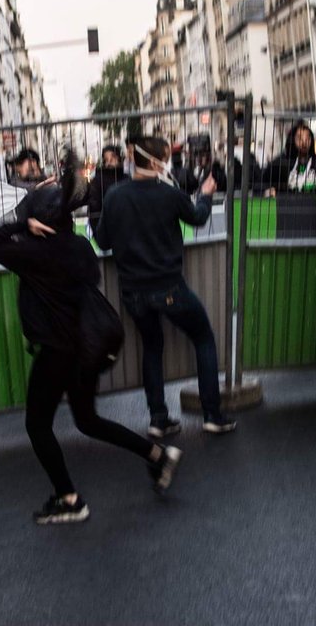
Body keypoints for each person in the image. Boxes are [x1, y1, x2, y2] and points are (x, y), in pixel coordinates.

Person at [0, 152, 181, 525]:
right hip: (84, 349)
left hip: (57, 351)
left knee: (37, 426)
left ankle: (69, 498)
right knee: (87, 419)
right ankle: (157, 455)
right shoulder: (78, 247)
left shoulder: (35, 253)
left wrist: (24, 228)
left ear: (41, 218)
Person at [95, 135, 237, 436]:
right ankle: (212, 414)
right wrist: (206, 192)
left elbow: (103, 241)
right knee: (203, 337)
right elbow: (198, 217)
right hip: (169, 287)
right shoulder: (168, 194)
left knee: (152, 346)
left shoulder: (115, 196)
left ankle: (159, 418)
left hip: (132, 293)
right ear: (159, 162)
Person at [262, 121, 316, 196]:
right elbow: (263, 182)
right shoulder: (281, 162)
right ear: (292, 139)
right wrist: (269, 190)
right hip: (286, 204)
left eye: (307, 138)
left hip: (311, 204)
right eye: (299, 138)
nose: (304, 142)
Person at [87, 145, 128, 235]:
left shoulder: (126, 178)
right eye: (106, 159)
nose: (109, 162)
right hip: (107, 231)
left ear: (119, 158)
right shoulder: (98, 180)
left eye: (113, 157)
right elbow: (94, 209)